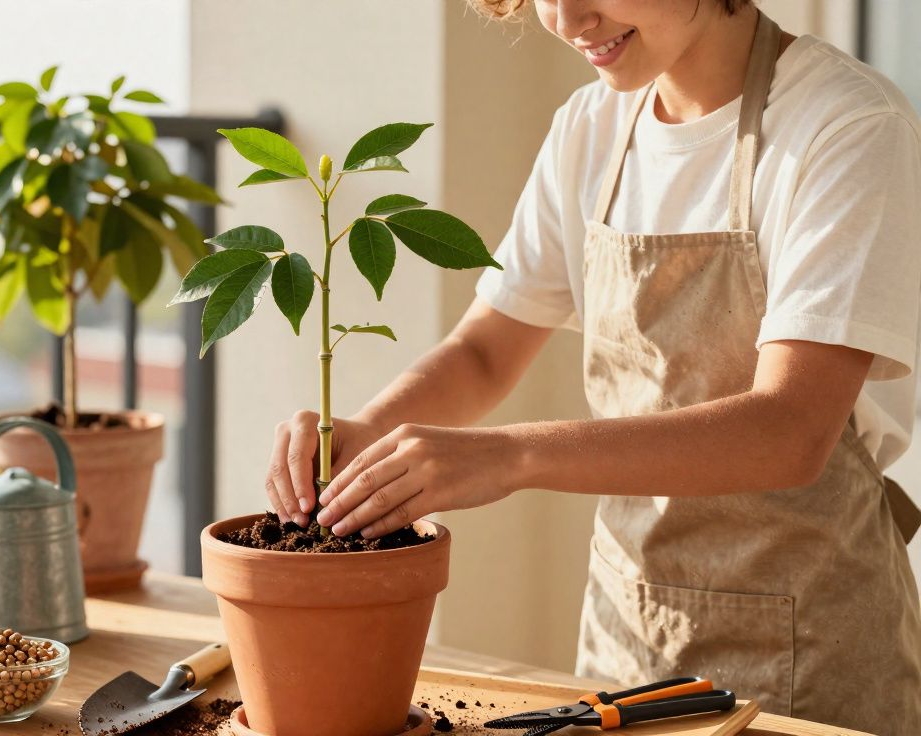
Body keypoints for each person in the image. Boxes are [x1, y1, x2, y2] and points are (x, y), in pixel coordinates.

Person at [263, 1, 921, 731]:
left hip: (811, 660)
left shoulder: (846, 126)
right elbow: (485, 351)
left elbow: (790, 429)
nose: (567, 18)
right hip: (625, 644)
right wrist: (363, 432)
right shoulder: (591, 129)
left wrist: (508, 456)